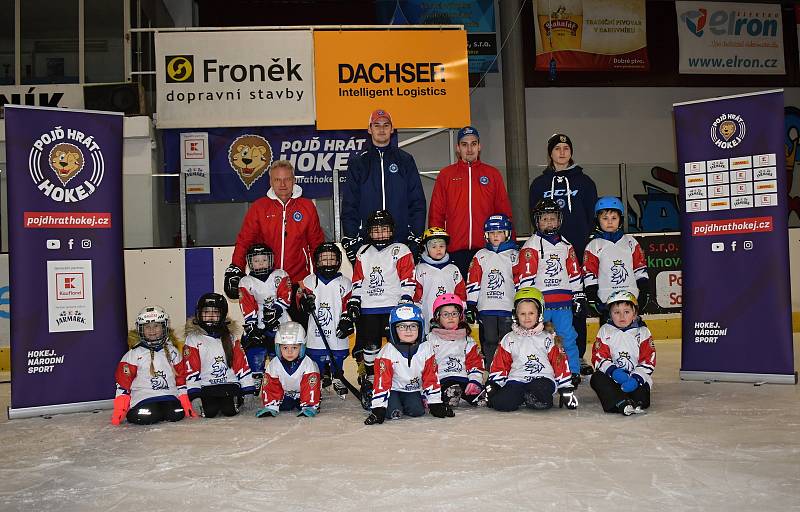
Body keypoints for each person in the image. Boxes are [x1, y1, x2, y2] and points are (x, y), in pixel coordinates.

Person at [528, 133, 597, 376]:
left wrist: (581, 242)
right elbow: (533, 215)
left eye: (566, 147)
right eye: (557, 148)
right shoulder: (538, 184)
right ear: (550, 153)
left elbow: (592, 215)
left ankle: (577, 355)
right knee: (545, 307)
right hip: (547, 250)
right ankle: (541, 352)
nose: (562, 152)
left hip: (574, 251)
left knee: (575, 305)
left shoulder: (585, 182)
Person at [224, 160, 325, 319]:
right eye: (277, 179)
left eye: (287, 179)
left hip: (298, 282)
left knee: (300, 333)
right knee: (267, 333)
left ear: (294, 180)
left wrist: (320, 276)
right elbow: (245, 241)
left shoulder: (307, 207)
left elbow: (316, 243)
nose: (283, 184)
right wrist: (236, 269)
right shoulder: (259, 207)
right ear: (271, 182)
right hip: (264, 282)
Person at [428, 126, 515, 280]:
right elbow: (436, 214)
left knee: (484, 299)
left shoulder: (492, 174)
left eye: (473, 144)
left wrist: (510, 246)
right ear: (457, 148)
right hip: (454, 251)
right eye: (464, 144)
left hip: (487, 251)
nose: (469, 149)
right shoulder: (446, 175)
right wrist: (435, 247)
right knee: (457, 300)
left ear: (479, 146)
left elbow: (504, 213)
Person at [340, 109, 426, 264]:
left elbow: (417, 201)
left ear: (392, 129)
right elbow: (349, 204)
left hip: (401, 241)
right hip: (367, 243)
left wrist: (416, 235)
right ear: (369, 129)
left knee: (403, 288)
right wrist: (352, 238)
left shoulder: (405, 160)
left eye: (386, 125)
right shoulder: (358, 163)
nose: (381, 129)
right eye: (377, 125)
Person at [517, 199, 585, 380]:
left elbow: (574, 272)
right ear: (537, 221)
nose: (549, 222)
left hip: (563, 304)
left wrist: (578, 295)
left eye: (553, 218)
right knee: (537, 338)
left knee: (567, 337)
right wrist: (526, 302)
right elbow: (525, 276)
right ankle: (539, 370)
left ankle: (573, 370)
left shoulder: (566, 245)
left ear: (559, 220)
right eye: (545, 218)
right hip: (541, 304)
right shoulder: (531, 246)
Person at [485, 287, 577, 412]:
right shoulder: (509, 338)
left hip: (542, 379)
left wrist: (566, 388)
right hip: (517, 379)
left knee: (540, 390)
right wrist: (494, 384)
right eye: (522, 314)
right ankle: (525, 397)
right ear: (515, 315)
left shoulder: (548, 337)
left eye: (531, 313)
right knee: (501, 403)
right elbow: (500, 364)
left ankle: (533, 397)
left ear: (539, 313)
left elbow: (559, 363)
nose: (527, 317)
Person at [364, 303, 454, 424]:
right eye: (402, 326)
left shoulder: (426, 348)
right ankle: (371, 394)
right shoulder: (387, 352)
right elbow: (383, 382)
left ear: (420, 328)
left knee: (417, 411)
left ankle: (403, 402)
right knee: (394, 413)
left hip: (412, 389)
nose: (408, 331)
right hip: (392, 389)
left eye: (413, 326)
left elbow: (431, 377)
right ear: (394, 329)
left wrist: (435, 403)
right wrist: (378, 408)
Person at [112, 306, 195, 425]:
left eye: (156, 326)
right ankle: (145, 411)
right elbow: (123, 384)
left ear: (164, 327)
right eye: (147, 327)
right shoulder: (134, 354)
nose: (152, 330)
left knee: (176, 414)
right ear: (140, 329)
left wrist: (186, 404)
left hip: (169, 396)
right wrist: (119, 410)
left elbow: (181, 380)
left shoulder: (172, 351)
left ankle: (162, 410)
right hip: (144, 398)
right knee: (148, 416)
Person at [182, 293, 257, 418]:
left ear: (222, 315)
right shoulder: (193, 339)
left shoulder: (230, 337)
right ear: (199, 313)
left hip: (229, 384)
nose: (211, 316)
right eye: (206, 311)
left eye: (215, 312)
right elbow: (191, 370)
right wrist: (194, 394)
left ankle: (234, 399)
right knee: (210, 412)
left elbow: (241, 365)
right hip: (206, 386)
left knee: (229, 410)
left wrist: (248, 389)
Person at [297, 242, 353, 398]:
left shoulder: (345, 283)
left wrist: (347, 320)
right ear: (317, 261)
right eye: (323, 259)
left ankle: (337, 376)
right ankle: (319, 378)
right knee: (316, 356)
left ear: (338, 261)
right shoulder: (309, 281)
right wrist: (303, 303)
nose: (327, 263)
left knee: (338, 354)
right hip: (315, 330)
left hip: (336, 328)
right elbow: (299, 300)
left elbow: (348, 305)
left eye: (331, 259)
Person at [583, 196, 650, 327]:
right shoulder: (594, 245)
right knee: (608, 339)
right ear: (597, 220)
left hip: (630, 299)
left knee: (634, 336)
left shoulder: (631, 242)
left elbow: (640, 269)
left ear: (621, 220)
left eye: (614, 218)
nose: (609, 222)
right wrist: (592, 295)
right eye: (605, 218)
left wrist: (644, 290)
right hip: (606, 300)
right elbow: (589, 273)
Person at [466, 214, 519, 370]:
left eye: (500, 232)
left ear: (507, 234)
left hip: (508, 307)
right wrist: (471, 304)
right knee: (489, 340)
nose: (495, 236)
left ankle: (507, 369)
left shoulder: (515, 255)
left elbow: (520, 281)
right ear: (486, 235)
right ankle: (491, 369)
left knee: (507, 340)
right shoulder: (480, 255)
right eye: (492, 233)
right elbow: (473, 281)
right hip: (486, 307)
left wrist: (521, 302)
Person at [590, 291, 655, 416]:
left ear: (634, 313)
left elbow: (648, 359)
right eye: (616, 312)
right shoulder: (605, 330)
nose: (622, 316)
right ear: (610, 314)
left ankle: (621, 401)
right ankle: (621, 403)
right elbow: (599, 356)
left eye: (627, 312)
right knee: (596, 378)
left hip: (635, 379)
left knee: (643, 400)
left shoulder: (643, 332)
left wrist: (636, 378)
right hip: (613, 379)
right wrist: (614, 372)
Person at [238, 243, 292, 386]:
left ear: (270, 260)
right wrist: (251, 324)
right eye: (256, 261)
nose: (260, 263)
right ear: (250, 263)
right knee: (253, 342)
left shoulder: (280, 274)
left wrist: (276, 310)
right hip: (259, 317)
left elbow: (286, 297)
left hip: (280, 318)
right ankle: (256, 374)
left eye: (264, 260)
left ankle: (281, 374)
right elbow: (247, 304)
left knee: (281, 346)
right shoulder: (246, 281)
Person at [427, 294, 484, 407]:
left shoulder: (468, 340)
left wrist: (474, 381)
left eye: (454, 314)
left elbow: (475, 363)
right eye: (446, 314)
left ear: (460, 316)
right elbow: (426, 365)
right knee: (449, 388)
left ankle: (467, 394)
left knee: (480, 396)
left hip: (463, 378)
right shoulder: (430, 339)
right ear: (438, 317)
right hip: (442, 379)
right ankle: (447, 395)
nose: (450, 317)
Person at [255, 321, 322, 418]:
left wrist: (309, 406)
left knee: (306, 404)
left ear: (302, 347)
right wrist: (271, 405)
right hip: (285, 395)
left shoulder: (308, 364)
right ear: (278, 348)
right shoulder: (274, 364)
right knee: (285, 405)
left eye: (294, 347)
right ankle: (273, 405)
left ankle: (309, 405)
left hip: (304, 395)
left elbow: (311, 385)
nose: (289, 352)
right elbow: (271, 385)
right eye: (285, 347)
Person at [412, 227, 466, 328]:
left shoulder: (453, 269)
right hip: (428, 316)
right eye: (433, 247)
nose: (438, 249)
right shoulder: (420, 269)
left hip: (450, 317)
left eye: (442, 246)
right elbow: (416, 296)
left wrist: (462, 310)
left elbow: (461, 293)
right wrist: (418, 314)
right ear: (425, 247)